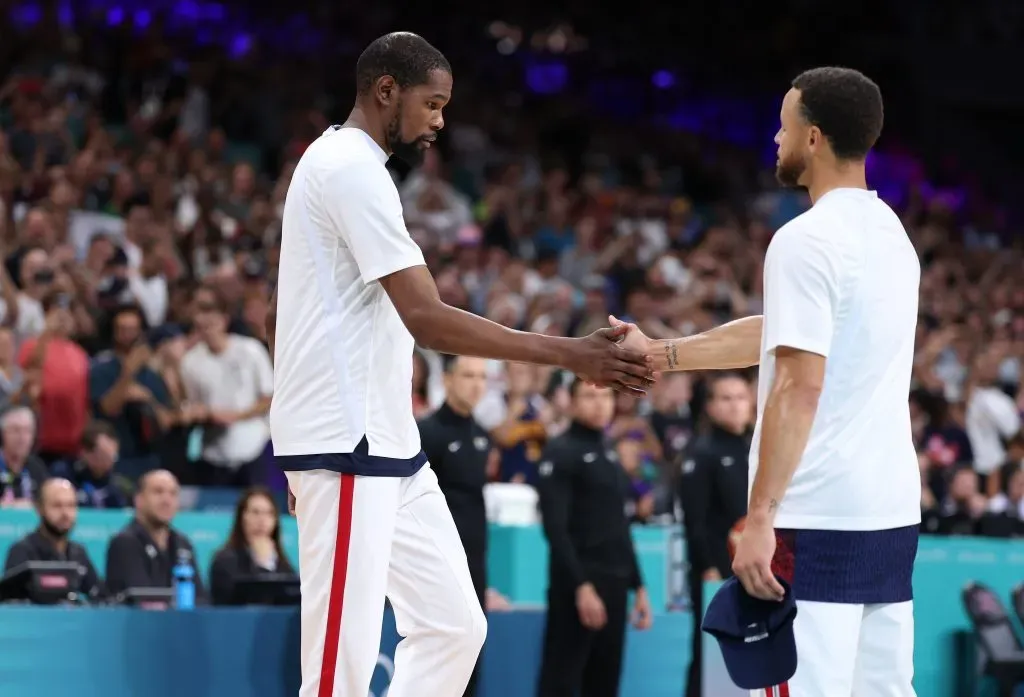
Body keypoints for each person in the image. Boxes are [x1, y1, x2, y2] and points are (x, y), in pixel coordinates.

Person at [267, 32, 653, 697]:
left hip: (388, 443)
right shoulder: (348, 168)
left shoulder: (357, 167)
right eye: (433, 103)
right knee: (338, 674)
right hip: (344, 441)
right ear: (386, 89)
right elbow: (428, 317)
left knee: (453, 625)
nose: (441, 121)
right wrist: (571, 353)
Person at [616, 67, 919, 696]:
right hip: (889, 511)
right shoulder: (891, 233)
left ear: (813, 137)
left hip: (812, 516)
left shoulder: (804, 240)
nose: (774, 138)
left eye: (783, 125)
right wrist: (664, 354)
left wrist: (760, 517)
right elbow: (783, 331)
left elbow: (797, 386)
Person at [534, 379, 653, 697]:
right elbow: (555, 529)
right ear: (571, 403)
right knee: (560, 681)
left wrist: (638, 586)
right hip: (577, 587)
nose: (599, 403)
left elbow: (620, 525)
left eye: (605, 396)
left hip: (615, 585)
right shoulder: (560, 451)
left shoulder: (609, 452)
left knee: (604, 683)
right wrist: (581, 587)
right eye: (588, 396)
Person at [417, 354, 492, 697]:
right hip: (437, 559)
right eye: (468, 376)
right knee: (441, 650)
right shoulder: (427, 432)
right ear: (447, 380)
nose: (476, 384)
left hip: (474, 558)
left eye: (482, 377)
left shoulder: (482, 436)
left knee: (472, 649)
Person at [677, 373, 753, 697]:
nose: (735, 406)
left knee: (755, 651)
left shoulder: (758, 448)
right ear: (709, 406)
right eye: (726, 398)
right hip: (717, 572)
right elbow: (694, 520)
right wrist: (706, 567)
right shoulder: (702, 453)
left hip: (757, 570)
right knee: (710, 653)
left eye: (741, 397)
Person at [104, 469, 206, 601]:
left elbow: (200, 599)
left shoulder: (183, 543)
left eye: (173, 494)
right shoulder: (125, 543)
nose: (166, 500)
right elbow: (143, 599)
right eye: (158, 492)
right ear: (139, 499)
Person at [3, 478, 103, 601]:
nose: (65, 513)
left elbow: (98, 596)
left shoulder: (78, 553)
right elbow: (10, 603)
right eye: (57, 505)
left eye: (71, 505)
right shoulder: (22, 550)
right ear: (40, 509)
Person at [209, 486, 297, 605]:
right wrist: (263, 564)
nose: (262, 520)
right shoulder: (224, 561)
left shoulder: (282, 563)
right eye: (255, 512)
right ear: (242, 517)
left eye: (269, 513)